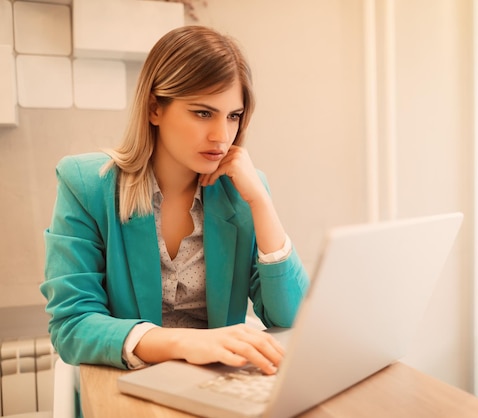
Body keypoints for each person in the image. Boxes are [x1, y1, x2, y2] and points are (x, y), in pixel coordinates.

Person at [40, 25, 310, 376]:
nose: (221, 136)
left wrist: (260, 201)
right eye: (202, 113)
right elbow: (72, 326)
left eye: (233, 116)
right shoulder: (86, 184)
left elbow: (290, 318)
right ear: (155, 108)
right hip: (126, 385)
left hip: (215, 385)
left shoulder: (242, 190)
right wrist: (186, 342)